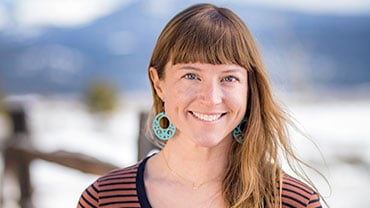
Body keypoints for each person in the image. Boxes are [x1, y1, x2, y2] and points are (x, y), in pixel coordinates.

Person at [77, 3, 325, 208]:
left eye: (229, 78)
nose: (211, 98)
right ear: (159, 83)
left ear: (249, 88)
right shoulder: (103, 200)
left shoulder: (293, 202)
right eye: (191, 76)